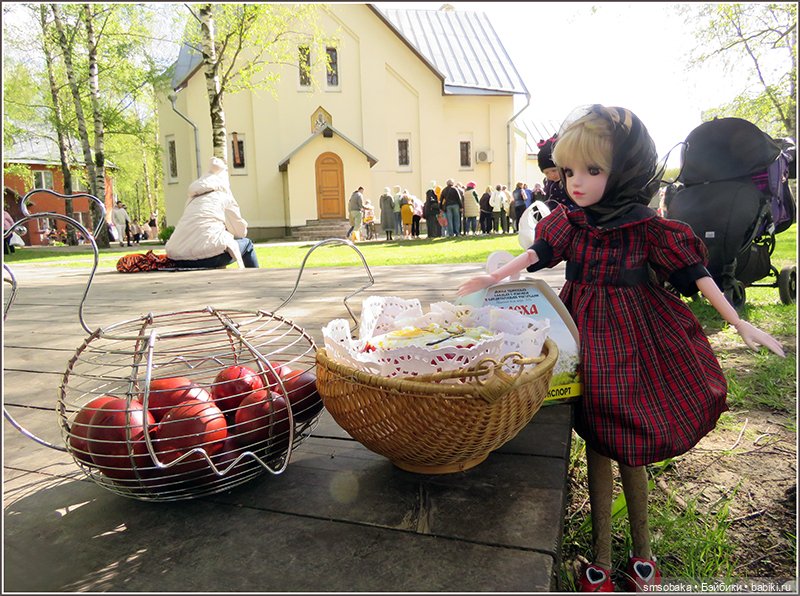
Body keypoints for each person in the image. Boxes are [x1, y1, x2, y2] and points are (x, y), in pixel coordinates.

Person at [457, 104, 784, 593]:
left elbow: (693, 274)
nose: (577, 182)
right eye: (569, 171)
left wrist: (737, 321)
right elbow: (537, 254)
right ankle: (603, 558)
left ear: (626, 169)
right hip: (580, 333)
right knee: (596, 441)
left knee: (627, 439)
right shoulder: (572, 223)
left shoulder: (648, 228)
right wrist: (496, 276)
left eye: (593, 170)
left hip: (632, 333)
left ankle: (643, 555)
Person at [166, 157, 259, 269]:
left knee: (217, 245)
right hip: (209, 257)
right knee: (247, 244)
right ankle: (257, 281)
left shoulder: (193, 199)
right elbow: (240, 232)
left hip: (177, 257)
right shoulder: (224, 196)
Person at [537, 135, 573, 211]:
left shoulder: (572, 182)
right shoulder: (552, 186)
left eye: (554, 170)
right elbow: (550, 202)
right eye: (546, 173)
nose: (552, 175)